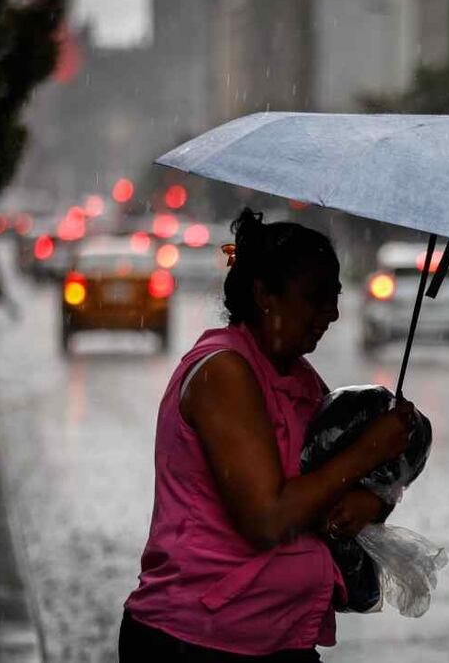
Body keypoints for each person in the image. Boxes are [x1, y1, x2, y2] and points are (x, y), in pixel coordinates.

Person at [120, 208, 414, 662]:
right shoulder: (224, 371)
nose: (332, 313)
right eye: (315, 297)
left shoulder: (300, 378)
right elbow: (267, 519)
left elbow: (323, 486)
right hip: (198, 641)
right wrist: (367, 451)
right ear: (264, 294)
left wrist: (372, 500)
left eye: (335, 296)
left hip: (278, 640)